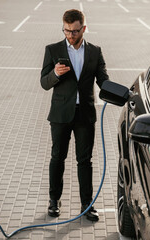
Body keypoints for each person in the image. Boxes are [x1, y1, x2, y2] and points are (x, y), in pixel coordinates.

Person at [40, 9, 109, 222]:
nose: (71, 35)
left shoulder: (95, 52)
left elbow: (103, 81)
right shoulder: (52, 50)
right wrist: (55, 74)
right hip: (60, 114)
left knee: (84, 161)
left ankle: (87, 204)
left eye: (75, 31)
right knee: (57, 158)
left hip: (85, 115)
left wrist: (121, 94)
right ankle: (54, 201)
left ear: (84, 29)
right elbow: (44, 82)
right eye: (67, 31)